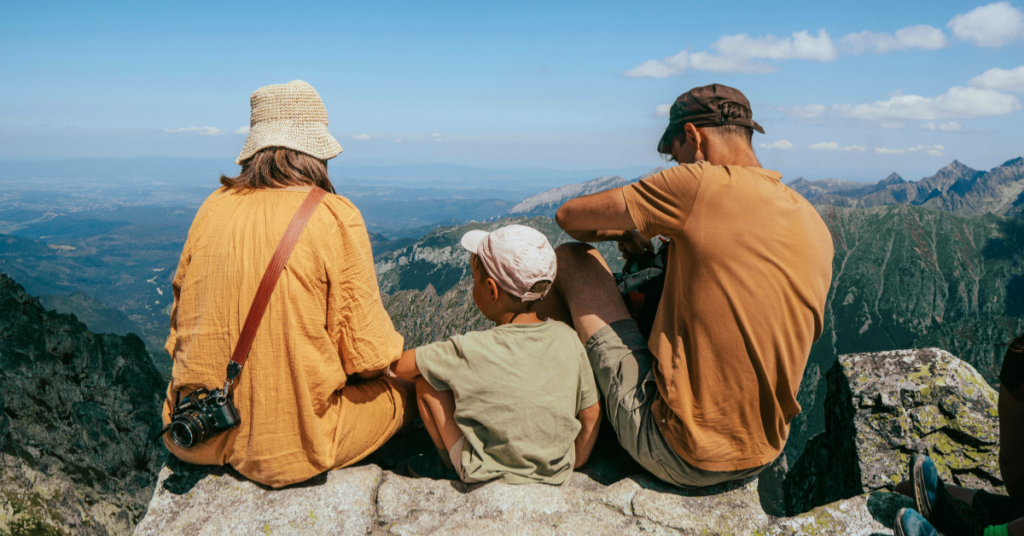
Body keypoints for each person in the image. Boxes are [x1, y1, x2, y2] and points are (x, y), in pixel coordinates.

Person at [534, 84, 834, 488]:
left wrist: (624, 229)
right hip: (764, 451)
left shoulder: (698, 184)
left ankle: (551, 421)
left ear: (693, 137)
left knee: (571, 260)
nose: (677, 165)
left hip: (680, 450)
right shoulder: (811, 219)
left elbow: (570, 217)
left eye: (676, 156)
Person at [161, 80, 414, 488]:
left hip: (198, 431)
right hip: (291, 447)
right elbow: (368, 356)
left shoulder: (212, 206)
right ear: (316, 150)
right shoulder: (335, 216)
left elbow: (179, 329)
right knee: (405, 393)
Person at [391, 225, 603, 484]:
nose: (471, 285)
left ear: (491, 290)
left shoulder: (470, 348)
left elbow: (400, 366)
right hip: (556, 469)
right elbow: (591, 412)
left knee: (426, 381)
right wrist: (575, 461)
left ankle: (449, 465)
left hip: (485, 469)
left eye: (473, 279)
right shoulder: (568, 337)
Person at [892, 332, 1024, 536]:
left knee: (907, 491)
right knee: (905, 490)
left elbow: (1012, 465)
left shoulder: (1020, 352)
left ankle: (982, 532)